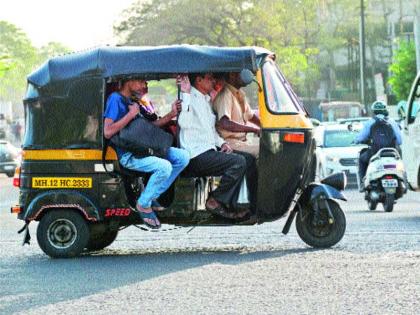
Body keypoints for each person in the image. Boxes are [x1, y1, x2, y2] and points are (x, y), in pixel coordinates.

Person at [104, 78, 190, 229]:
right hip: (129, 155)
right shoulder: (115, 99)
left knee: (182, 157)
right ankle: (143, 204)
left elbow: (148, 128)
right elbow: (108, 131)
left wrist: (171, 114)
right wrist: (131, 115)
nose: (144, 85)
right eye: (141, 81)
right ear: (128, 80)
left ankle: (152, 195)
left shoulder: (134, 101)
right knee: (164, 167)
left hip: (144, 148)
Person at [178, 73, 249, 220]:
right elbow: (183, 123)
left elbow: (210, 130)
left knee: (246, 159)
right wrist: (185, 94)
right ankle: (216, 200)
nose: (214, 81)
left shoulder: (205, 100)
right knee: (238, 162)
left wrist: (222, 143)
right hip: (196, 155)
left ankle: (234, 203)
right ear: (198, 80)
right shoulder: (189, 98)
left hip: (207, 150)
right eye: (209, 78)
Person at [355, 101, 402, 191]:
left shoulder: (370, 122)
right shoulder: (392, 122)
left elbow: (360, 138)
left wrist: (356, 140)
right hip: (392, 153)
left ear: (373, 111)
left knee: (361, 158)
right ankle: (403, 178)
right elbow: (399, 141)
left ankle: (363, 182)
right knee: (399, 158)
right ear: (385, 110)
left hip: (374, 153)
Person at [213, 72, 261, 158]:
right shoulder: (225, 95)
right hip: (230, 142)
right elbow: (225, 123)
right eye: (241, 72)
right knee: (262, 151)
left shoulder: (239, 94)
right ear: (232, 75)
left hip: (241, 141)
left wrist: (264, 126)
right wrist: (254, 130)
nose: (245, 75)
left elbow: (250, 115)